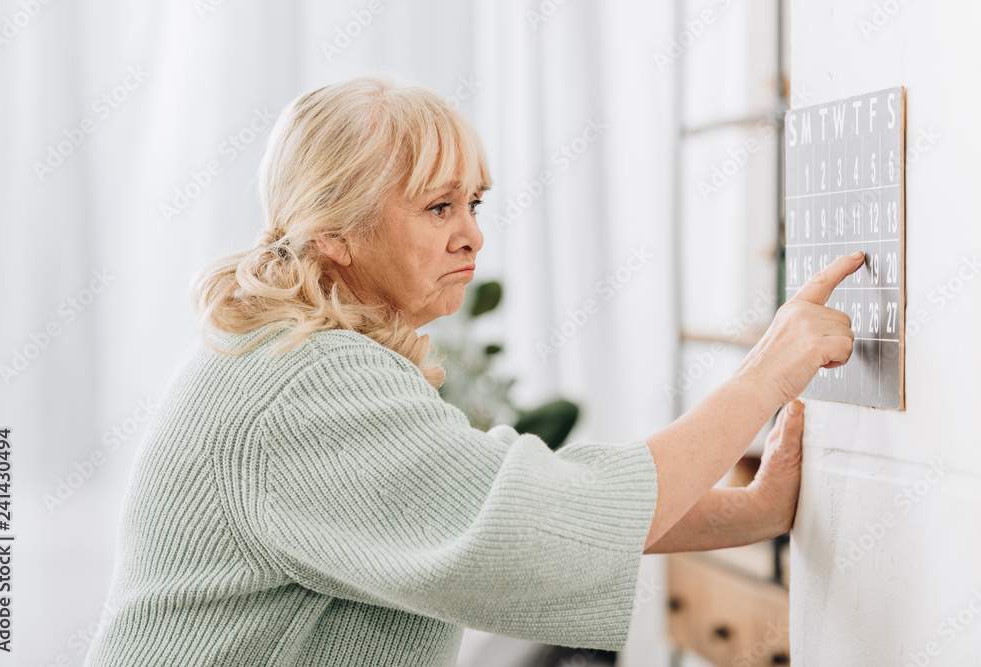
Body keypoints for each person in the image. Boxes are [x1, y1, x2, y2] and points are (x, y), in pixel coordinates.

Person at [83, 74, 862, 666]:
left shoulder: (291, 353)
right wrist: (767, 372)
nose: (473, 236)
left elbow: (484, 503)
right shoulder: (305, 379)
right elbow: (533, 533)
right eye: (438, 208)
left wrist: (753, 510)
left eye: (474, 204)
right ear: (336, 232)